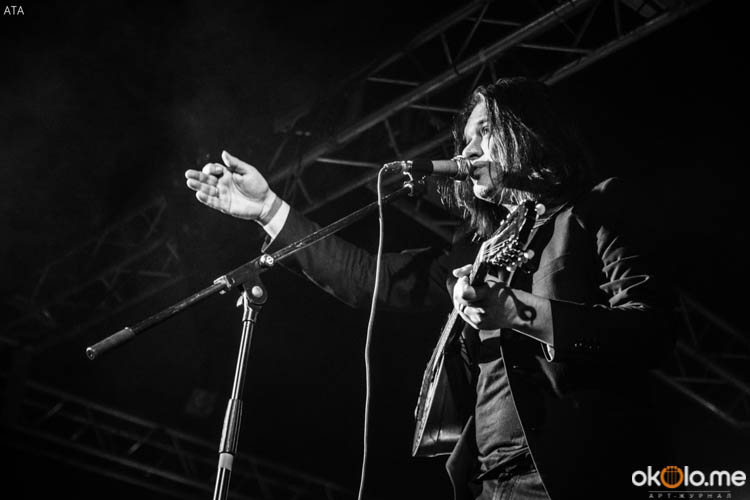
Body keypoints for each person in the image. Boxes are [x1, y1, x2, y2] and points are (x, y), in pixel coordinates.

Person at [185, 77, 675, 500]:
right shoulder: (480, 250)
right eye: (465, 138)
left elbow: (651, 330)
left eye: (485, 131)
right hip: (488, 481)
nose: (468, 150)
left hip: (574, 470)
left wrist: (517, 312)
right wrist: (269, 209)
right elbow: (368, 278)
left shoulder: (595, 208)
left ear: (529, 131)